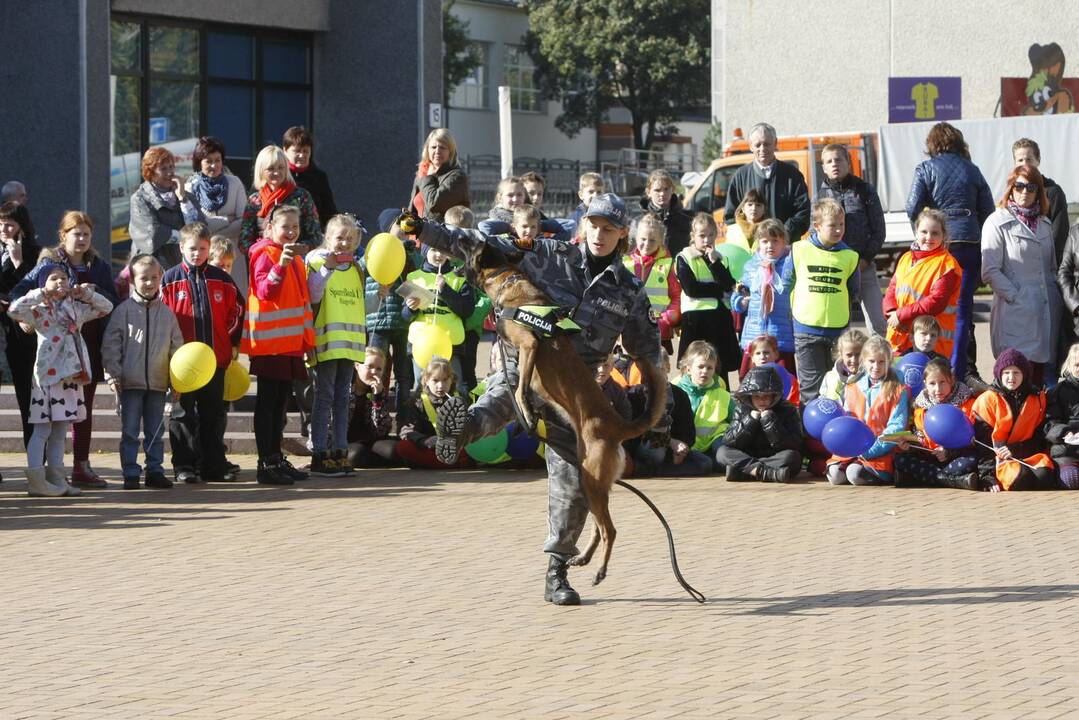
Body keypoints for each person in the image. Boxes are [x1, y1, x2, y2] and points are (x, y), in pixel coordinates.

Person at [398, 192, 661, 606]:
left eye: (608, 228)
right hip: (521, 366)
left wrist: (653, 407)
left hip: (570, 393)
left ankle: (557, 571)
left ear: (622, 234)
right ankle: (458, 428)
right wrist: (425, 230)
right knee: (497, 404)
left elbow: (647, 350)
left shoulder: (628, 290)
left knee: (573, 482)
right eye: (593, 225)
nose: (598, 234)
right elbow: (482, 246)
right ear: (583, 226)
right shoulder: (548, 254)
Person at [11, 211, 119, 488]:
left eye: (86, 234)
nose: (81, 239)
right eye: (76, 233)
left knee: (76, 414)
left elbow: (111, 301)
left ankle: (75, 469)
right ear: (64, 235)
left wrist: (89, 291)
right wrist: (28, 316)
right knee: (45, 425)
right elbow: (19, 295)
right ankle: (41, 475)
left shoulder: (98, 266)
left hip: (84, 348)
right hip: (49, 362)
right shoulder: (49, 263)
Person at [906, 122, 994, 383]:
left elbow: (913, 206)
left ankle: (929, 368)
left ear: (932, 144)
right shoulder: (973, 170)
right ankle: (961, 372)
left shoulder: (925, 168)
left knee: (933, 306)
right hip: (969, 243)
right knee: (962, 311)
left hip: (939, 246)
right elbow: (988, 211)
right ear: (959, 143)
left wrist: (925, 230)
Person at [161, 222, 243, 484]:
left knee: (214, 414)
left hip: (215, 360)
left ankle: (213, 465)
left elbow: (237, 312)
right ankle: (184, 465)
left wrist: (228, 340)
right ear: (182, 247)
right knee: (182, 414)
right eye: (192, 248)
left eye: (203, 248)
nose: (197, 253)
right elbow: (163, 317)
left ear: (209, 248)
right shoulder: (170, 279)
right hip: (182, 364)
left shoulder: (222, 279)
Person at [242, 205, 315, 485]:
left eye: (295, 227)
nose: (291, 232)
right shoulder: (265, 253)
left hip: (289, 343)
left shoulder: (295, 258)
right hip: (271, 342)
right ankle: (266, 462)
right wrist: (280, 265)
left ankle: (276, 458)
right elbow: (264, 291)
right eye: (285, 227)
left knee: (281, 405)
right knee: (268, 404)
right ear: (270, 228)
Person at [102, 254, 184, 490]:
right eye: (143, 278)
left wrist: (176, 380)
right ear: (133, 280)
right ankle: (130, 472)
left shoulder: (167, 314)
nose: (149, 283)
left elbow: (177, 347)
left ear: (160, 279)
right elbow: (111, 345)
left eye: (154, 278)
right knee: (129, 432)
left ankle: (155, 470)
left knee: (155, 431)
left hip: (158, 384)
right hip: (130, 383)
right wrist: (114, 374)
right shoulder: (123, 311)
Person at [981, 165, 1062, 387]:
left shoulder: (1045, 224)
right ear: (1010, 188)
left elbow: (1051, 268)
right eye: (1019, 186)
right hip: (1014, 313)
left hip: (1045, 312)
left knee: (1042, 377)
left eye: (1031, 187)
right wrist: (1016, 296)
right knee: (1014, 377)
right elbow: (989, 271)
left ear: (1039, 191)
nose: (1024, 192)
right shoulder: (997, 222)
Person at [306, 214, 366, 477]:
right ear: (328, 237)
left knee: (343, 399)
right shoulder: (316, 260)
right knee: (324, 397)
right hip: (327, 342)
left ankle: (340, 451)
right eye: (339, 237)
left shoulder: (355, 268)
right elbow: (313, 293)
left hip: (349, 346)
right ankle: (319, 451)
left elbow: (358, 305)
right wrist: (327, 268)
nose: (344, 243)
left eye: (350, 239)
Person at [788, 199, 859, 405]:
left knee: (839, 387)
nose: (838, 230)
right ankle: (810, 436)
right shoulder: (798, 250)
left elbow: (853, 292)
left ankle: (835, 435)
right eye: (832, 225)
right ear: (817, 226)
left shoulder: (850, 256)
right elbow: (786, 284)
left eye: (841, 224)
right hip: (806, 330)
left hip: (838, 332)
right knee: (811, 389)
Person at [816, 143, 887, 335]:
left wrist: (865, 259)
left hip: (864, 267)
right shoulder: (819, 198)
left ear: (848, 162)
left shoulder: (865, 191)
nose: (834, 164)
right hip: (835, 270)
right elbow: (815, 236)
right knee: (840, 327)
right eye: (829, 161)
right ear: (823, 167)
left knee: (879, 324)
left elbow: (879, 230)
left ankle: (878, 363)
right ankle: (844, 363)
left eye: (839, 159)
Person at [827, 335, 910, 486]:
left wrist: (870, 450)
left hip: (881, 451)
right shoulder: (853, 386)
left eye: (881, 362)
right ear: (864, 361)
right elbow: (846, 419)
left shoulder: (898, 390)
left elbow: (896, 427)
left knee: (854, 474)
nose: (876, 367)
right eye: (872, 361)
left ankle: (880, 474)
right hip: (853, 447)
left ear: (889, 362)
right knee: (835, 476)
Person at [883, 208, 961, 364]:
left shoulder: (947, 265)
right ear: (916, 232)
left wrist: (901, 316)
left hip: (931, 343)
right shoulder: (905, 258)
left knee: (927, 385)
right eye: (924, 232)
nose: (928, 237)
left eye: (935, 233)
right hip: (900, 336)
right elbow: (891, 290)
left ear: (944, 235)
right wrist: (891, 314)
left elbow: (936, 302)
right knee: (900, 383)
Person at [973, 348, 1056, 491]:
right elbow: (983, 444)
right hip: (999, 460)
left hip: (1028, 454)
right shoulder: (987, 400)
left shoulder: (1037, 397)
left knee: (1045, 476)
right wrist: (987, 476)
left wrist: (1015, 450)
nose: (1011, 377)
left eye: (1016, 372)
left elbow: (1040, 437)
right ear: (999, 375)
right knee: (1021, 478)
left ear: (1024, 374)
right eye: (1006, 372)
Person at [894, 358, 980, 490]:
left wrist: (948, 452)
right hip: (929, 457)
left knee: (972, 460)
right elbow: (920, 436)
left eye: (942, 382)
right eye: (932, 383)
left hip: (954, 457)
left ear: (951, 380)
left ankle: (923, 478)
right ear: (925, 384)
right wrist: (909, 446)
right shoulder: (920, 407)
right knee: (901, 460)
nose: (938, 388)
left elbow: (971, 439)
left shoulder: (967, 403)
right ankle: (953, 480)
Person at [675, 213, 740, 381]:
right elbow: (692, 289)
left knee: (720, 366)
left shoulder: (720, 258)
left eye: (711, 235)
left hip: (719, 320)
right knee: (694, 366)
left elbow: (729, 284)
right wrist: (718, 290)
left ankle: (723, 402)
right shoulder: (684, 257)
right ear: (693, 236)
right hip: (696, 320)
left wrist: (714, 264)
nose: (707, 240)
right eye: (702, 236)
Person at [402, 243, 475, 393]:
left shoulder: (459, 278)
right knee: (421, 385)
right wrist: (410, 308)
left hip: (451, 343)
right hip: (421, 344)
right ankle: (423, 416)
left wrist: (445, 290)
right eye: (434, 250)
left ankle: (456, 416)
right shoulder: (413, 277)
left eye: (443, 250)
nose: (438, 255)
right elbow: (404, 316)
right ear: (425, 252)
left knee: (455, 385)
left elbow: (467, 310)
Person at [723, 122, 811, 240]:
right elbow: (731, 216)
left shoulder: (792, 175)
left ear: (775, 144)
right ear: (750, 146)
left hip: (785, 250)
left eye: (766, 144)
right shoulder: (740, 176)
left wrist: (781, 235)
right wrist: (752, 237)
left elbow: (803, 213)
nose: (762, 149)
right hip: (751, 252)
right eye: (758, 145)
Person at [631, 352, 713, 477]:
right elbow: (635, 431)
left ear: (668, 368)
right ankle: (653, 468)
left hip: (672, 451)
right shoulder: (635, 394)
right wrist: (670, 442)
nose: (656, 375)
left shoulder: (680, 395)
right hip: (647, 448)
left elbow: (688, 431)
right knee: (658, 448)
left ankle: (651, 471)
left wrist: (682, 450)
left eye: (661, 369)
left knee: (705, 463)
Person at [716, 365, 803, 482]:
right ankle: (766, 473)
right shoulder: (742, 409)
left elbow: (795, 443)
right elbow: (730, 441)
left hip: (775, 456)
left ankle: (745, 473)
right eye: (756, 396)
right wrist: (750, 421)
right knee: (722, 452)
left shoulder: (788, 409)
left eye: (766, 396)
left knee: (793, 457)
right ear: (749, 396)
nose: (762, 400)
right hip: (747, 454)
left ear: (774, 396)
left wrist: (769, 421)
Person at [0, 201, 41, 452]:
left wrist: (18, 263)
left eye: (10, 223)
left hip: (21, 333)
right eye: (0, 223)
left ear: (21, 227)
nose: (4, 228)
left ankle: (36, 460)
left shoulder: (35, 252)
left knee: (28, 397)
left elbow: (36, 289)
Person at [129, 146, 207, 268]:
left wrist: (183, 199)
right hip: (150, 267)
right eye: (163, 169)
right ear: (151, 172)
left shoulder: (185, 195)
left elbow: (200, 228)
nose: (170, 172)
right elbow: (153, 232)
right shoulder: (139, 198)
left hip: (182, 265)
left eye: (171, 167)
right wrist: (186, 237)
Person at [735, 219, 794, 379]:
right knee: (751, 381)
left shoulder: (791, 265)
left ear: (784, 243)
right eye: (765, 241)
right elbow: (739, 291)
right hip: (755, 334)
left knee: (783, 381)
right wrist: (740, 302)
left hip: (781, 336)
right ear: (758, 243)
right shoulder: (751, 266)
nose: (770, 246)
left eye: (775, 241)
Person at [239, 145, 322, 255]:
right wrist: (263, 251)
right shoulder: (255, 200)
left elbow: (316, 236)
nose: (277, 173)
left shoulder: (301, 196)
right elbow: (244, 241)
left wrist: (299, 248)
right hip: (265, 261)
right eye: (271, 168)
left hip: (295, 259)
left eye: (281, 168)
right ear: (261, 170)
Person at [395, 357, 472, 469]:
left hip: (454, 446)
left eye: (445, 380)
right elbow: (407, 431)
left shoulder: (460, 399)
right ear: (426, 380)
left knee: (469, 449)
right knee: (403, 447)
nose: (440, 386)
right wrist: (426, 441)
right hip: (429, 446)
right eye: (435, 380)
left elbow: (471, 425)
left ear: (452, 379)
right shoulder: (417, 401)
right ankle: (450, 464)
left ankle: (440, 463)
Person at [623, 212, 681, 355]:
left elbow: (676, 296)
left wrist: (668, 318)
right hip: (629, 329)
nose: (646, 244)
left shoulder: (667, 265)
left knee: (657, 374)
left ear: (661, 241)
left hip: (658, 330)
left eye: (652, 240)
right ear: (636, 238)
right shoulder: (625, 263)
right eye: (643, 239)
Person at [675, 339, 734, 471]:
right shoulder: (676, 391)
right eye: (700, 367)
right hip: (687, 444)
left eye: (709, 368)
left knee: (725, 456)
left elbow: (737, 420)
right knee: (704, 464)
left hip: (716, 440)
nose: (705, 371)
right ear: (688, 369)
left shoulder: (723, 394)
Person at [1012, 138, 1069, 261]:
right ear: (1014, 163)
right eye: (1020, 160)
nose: (1024, 164)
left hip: (1046, 263)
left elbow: (1059, 233)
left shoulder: (1053, 192)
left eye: (1029, 159)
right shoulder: (1012, 192)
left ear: (1038, 161)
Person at [184, 136, 246, 241]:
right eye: (209, 161)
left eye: (218, 160)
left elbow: (243, 221)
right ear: (200, 162)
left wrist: (211, 236)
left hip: (232, 252)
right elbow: (194, 225)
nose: (214, 165)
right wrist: (228, 219)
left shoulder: (235, 183)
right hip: (204, 253)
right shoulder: (190, 188)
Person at [347, 347, 396, 468]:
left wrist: (377, 399)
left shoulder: (378, 391)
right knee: (357, 454)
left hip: (370, 440)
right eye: (370, 366)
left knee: (393, 450)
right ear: (357, 366)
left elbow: (382, 431)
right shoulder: (344, 389)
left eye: (379, 369)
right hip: (345, 442)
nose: (374, 372)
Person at [407, 128, 469, 223]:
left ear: (450, 151)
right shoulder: (422, 174)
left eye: (442, 147)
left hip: (443, 236)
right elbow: (412, 210)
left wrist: (428, 177)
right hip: (417, 236)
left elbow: (434, 204)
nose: (437, 151)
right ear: (427, 149)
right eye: (433, 147)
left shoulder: (457, 176)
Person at [282, 126, 337, 229]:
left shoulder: (319, 177)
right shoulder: (278, 175)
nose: (302, 155)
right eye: (297, 151)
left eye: (305, 151)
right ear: (285, 150)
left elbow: (329, 211)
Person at [478, 177, 567, 241]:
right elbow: (484, 227)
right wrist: (510, 227)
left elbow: (569, 225)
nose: (515, 199)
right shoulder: (495, 220)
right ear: (499, 197)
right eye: (510, 195)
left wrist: (537, 225)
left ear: (525, 196)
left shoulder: (534, 216)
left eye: (519, 195)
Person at [1046, 343, 1079, 490]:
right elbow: (1050, 423)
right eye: (1077, 365)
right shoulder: (1058, 391)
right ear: (1069, 366)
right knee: (1071, 480)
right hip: (1067, 447)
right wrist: (1065, 432)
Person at [639, 169, 691, 257]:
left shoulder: (687, 220)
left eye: (666, 189)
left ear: (673, 190)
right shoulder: (638, 223)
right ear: (648, 192)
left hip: (678, 269)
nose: (662, 193)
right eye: (657, 190)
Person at [742, 334, 798, 404]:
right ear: (752, 357)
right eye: (758, 353)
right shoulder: (749, 379)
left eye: (766, 353)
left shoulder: (789, 378)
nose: (762, 357)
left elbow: (795, 402)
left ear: (776, 354)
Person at [818, 328, 867, 403]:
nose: (853, 360)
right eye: (849, 355)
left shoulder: (869, 378)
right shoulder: (830, 377)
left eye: (858, 354)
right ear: (841, 354)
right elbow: (822, 402)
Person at [568, 172, 606, 237]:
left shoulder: (607, 214)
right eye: (591, 192)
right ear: (581, 195)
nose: (595, 195)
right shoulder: (575, 218)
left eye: (599, 192)